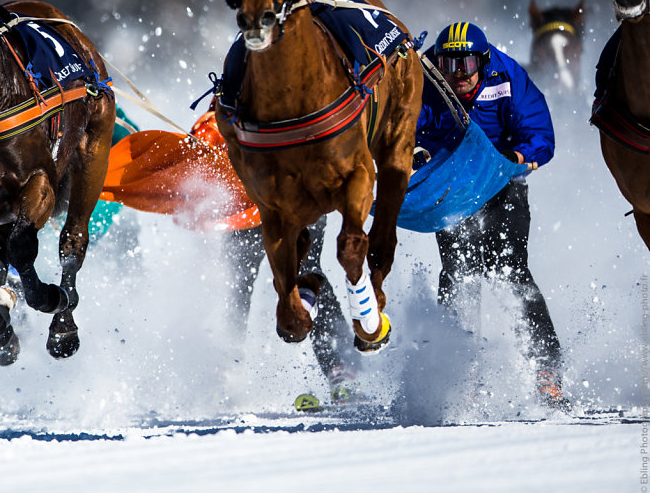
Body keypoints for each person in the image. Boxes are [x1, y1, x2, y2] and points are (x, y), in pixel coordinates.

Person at [101, 106, 358, 406]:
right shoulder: (244, 66)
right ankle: (226, 374)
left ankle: (340, 368)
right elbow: (219, 111)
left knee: (305, 274)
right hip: (245, 201)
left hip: (301, 191)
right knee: (235, 283)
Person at [416, 21, 566, 409]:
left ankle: (547, 370)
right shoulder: (427, 80)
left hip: (502, 183)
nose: (458, 75)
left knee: (513, 269)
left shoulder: (508, 74)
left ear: (484, 61)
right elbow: (405, 130)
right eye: (448, 65)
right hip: (453, 188)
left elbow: (539, 132)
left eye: (466, 64)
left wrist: (519, 158)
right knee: (456, 272)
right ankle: (454, 372)